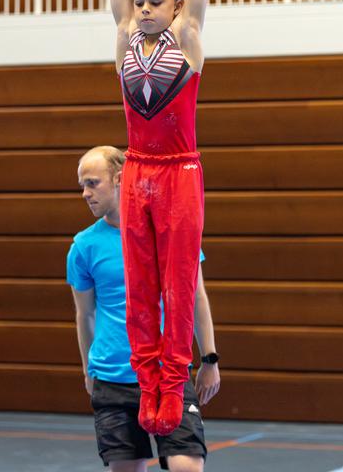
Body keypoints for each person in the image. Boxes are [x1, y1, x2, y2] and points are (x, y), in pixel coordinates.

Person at [103, 0, 218, 435]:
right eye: (139, 1)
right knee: (139, 283)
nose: (144, 8)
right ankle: (147, 381)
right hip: (139, 170)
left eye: (155, 1)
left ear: (175, 7)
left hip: (179, 172)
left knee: (176, 281)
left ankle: (172, 381)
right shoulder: (125, 36)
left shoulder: (189, 34)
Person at [67, 146, 220, 472]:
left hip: (169, 373)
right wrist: (87, 371)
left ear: (120, 179)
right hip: (112, 377)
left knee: (186, 465)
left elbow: (196, 296)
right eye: (82, 185)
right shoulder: (83, 247)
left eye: (93, 183)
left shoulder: (170, 233)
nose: (85, 193)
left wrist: (209, 357)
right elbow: (85, 315)